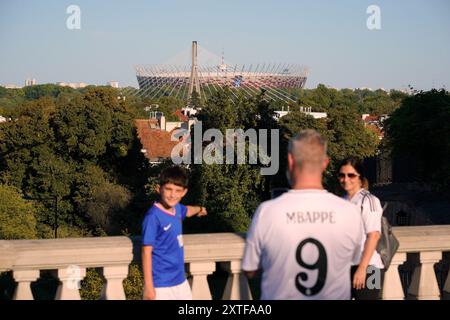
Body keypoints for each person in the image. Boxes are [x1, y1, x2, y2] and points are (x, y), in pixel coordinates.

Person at [242, 129, 363, 299]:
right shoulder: (351, 213)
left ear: (290, 161)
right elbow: (354, 259)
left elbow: (250, 269)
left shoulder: (267, 212)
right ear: (325, 163)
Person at [141, 165, 207, 300]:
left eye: (178, 190)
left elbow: (187, 210)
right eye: (169, 189)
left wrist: (200, 209)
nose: (173, 194)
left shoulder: (177, 209)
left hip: (180, 281)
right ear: (159, 189)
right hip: (160, 285)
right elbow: (146, 251)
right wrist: (149, 286)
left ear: (184, 192)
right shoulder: (153, 217)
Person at [337, 157, 385, 300]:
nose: (346, 179)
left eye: (351, 175)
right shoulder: (342, 201)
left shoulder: (369, 200)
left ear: (360, 177)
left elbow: (374, 235)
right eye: (342, 175)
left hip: (370, 268)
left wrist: (362, 268)